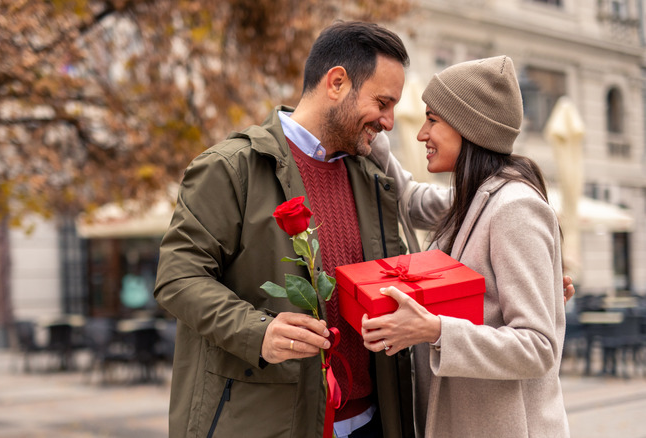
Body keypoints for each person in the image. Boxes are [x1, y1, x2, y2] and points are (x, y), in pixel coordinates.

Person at [154, 21, 415, 438]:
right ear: (336, 83)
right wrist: (259, 332)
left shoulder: (373, 179)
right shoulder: (230, 167)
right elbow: (177, 278)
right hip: (267, 422)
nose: (389, 121)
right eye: (383, 102)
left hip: (371, 423)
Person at [361, 56, 570, 437]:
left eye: (433, 120)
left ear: (469, 127)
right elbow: (406, 197)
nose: (422, 134)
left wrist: (434, 330)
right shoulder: (473, 200)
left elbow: (539, 346)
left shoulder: (514, 208)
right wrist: (372, 134)